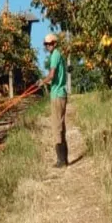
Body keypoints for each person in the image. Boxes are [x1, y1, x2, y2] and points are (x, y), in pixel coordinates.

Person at [40, 32, 68, 167]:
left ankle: (61, 160)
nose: (48, 46)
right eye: (46, 44)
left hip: (57, 95)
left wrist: (42, 82)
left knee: (56, 127)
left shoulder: (55, 55)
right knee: (61, 125)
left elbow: (51, 75)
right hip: (60, 93)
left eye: (50, 43)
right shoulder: (58, 55)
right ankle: (64, 159)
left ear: (54, 43)